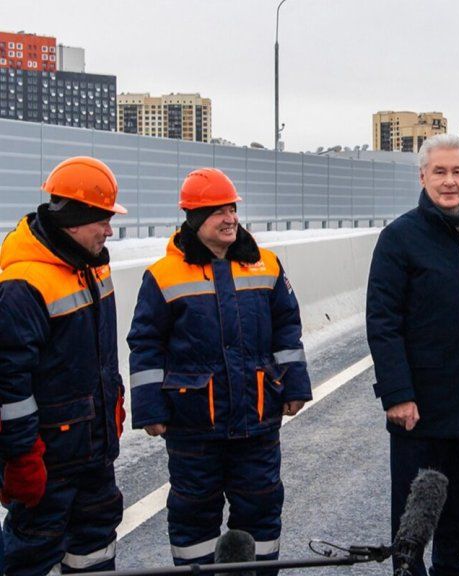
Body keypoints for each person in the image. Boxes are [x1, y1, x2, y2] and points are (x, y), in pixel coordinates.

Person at [127, 168, 310, 568]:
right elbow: (145, 343)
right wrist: (150, 409)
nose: (229, 218)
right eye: (217, 211)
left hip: (257, 417)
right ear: (194, 219)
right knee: (194, 513)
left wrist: (295, 385)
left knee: (261, 507)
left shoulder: (267, 265)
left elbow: (287, 330)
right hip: (193, 424)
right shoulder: (163, 275)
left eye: (232, 209)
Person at [366, 133, 459, 576]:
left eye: (457, 172)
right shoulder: (399, 239)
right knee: (414, 522)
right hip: (419, 409)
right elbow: (383, 322)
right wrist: (397, 394)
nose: (449, 182)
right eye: (440, 172)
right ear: (422, 176)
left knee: (457, 520)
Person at [0, 157, 127, 574]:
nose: (109, 230)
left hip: (93, 453)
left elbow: (102, 358)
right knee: (32, 555)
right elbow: (9, 388)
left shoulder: (91, 267)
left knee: (94, 551)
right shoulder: (23, 286)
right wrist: (21, 458)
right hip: (48, 463)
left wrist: (114, 403)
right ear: (75, 219)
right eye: (102, 220)